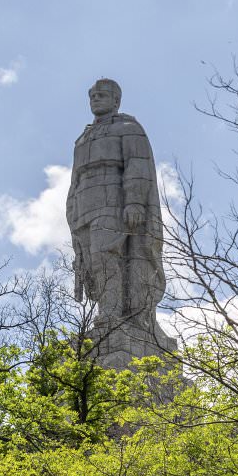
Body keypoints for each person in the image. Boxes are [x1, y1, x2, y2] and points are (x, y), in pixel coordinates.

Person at [66, 78, 176, 367]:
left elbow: (138, 166)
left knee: (108, 256)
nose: (95, 99)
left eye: (101, 95)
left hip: (114, 201)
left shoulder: (128, 128)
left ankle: (112, 316)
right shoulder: (83, 138)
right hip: (86, 206)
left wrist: (135, 201)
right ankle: (108, 312)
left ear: (116, 100)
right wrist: (73, 213)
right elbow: (75, 180)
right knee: (92, 262)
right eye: (92, 95)